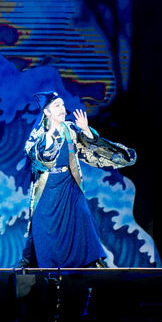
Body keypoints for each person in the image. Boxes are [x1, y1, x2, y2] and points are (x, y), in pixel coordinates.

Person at [18, 91, 136, 268]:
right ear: (46, 112)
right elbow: (38, 157)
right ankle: (35, 261)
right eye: (57, 105)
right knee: (42, 222)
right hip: (48, 185)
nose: (62, 108)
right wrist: (49, 136)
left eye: (62, 105)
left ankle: (93, 259)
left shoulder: (70, 129)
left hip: (69, 183)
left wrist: (86, 130)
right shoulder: (38, 134)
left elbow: (89, 147)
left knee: (83, 214)